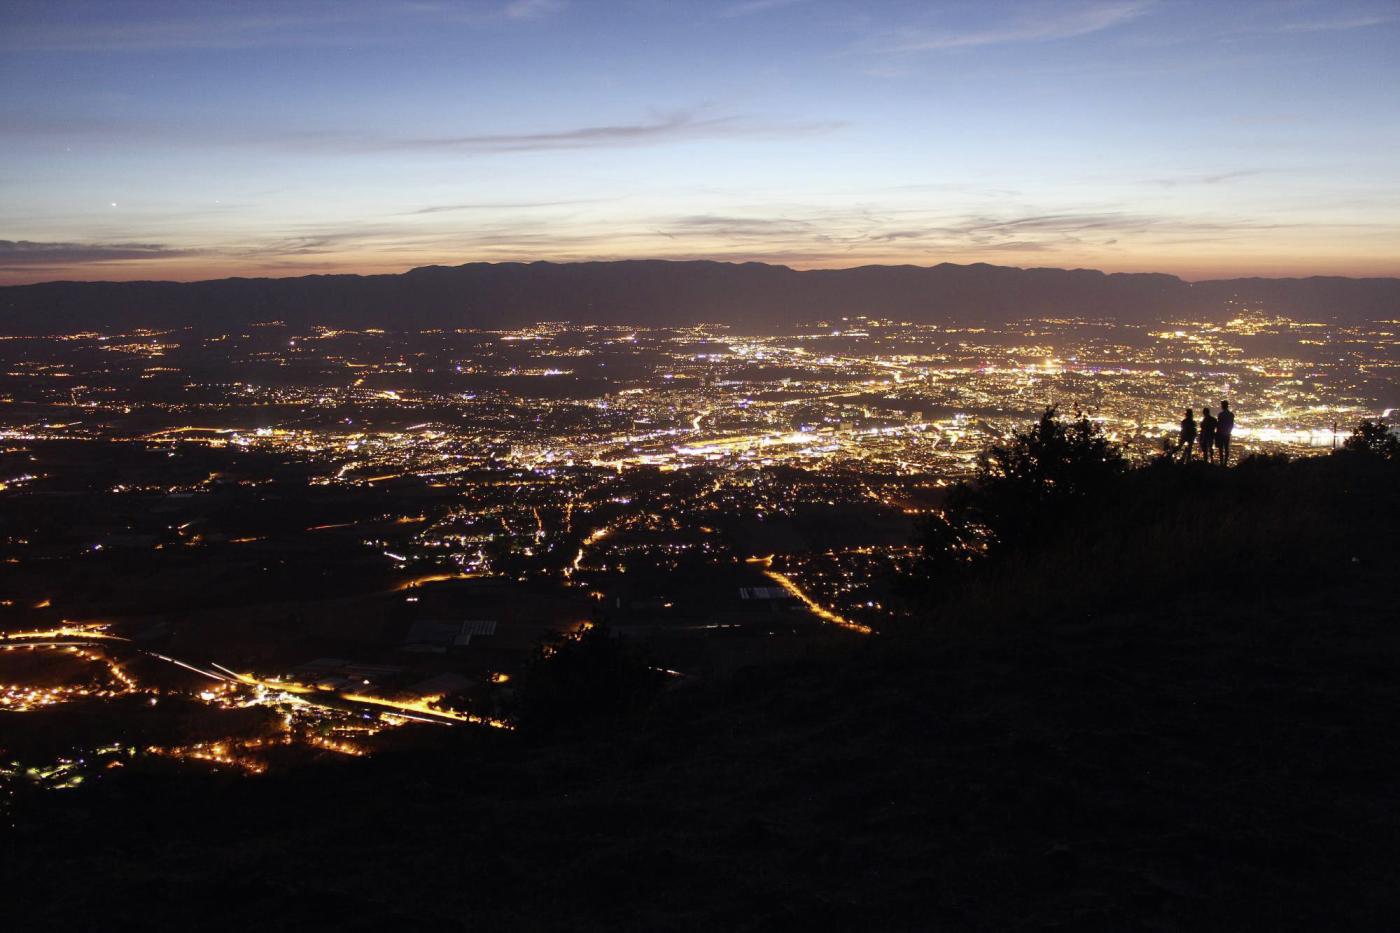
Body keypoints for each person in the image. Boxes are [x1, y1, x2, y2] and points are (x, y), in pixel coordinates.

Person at [1216, 400, 1234, 465]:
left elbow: (1218, 425)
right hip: (1227, 433)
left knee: (1221, 448)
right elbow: (1231, 424)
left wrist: (1218, 433)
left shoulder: (1220, 415)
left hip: (1221, 433)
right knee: (1226, 448)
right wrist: (1229, 431)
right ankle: (1225, 463)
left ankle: (1221, 462)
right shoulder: (1231, 414)